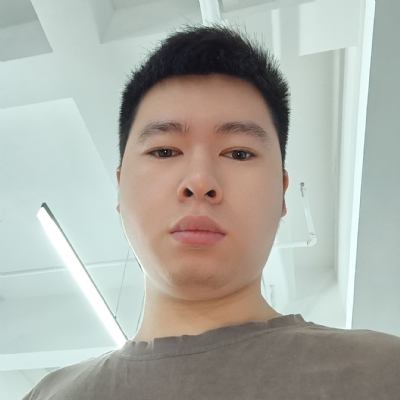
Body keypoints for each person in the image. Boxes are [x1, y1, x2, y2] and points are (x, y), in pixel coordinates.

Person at [23, 24, 400, 400]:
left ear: (282, 193)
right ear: (120, 186)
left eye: (239, 153)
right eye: (165, 151)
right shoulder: (49, 396)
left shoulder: (383, 373)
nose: (200, 181)